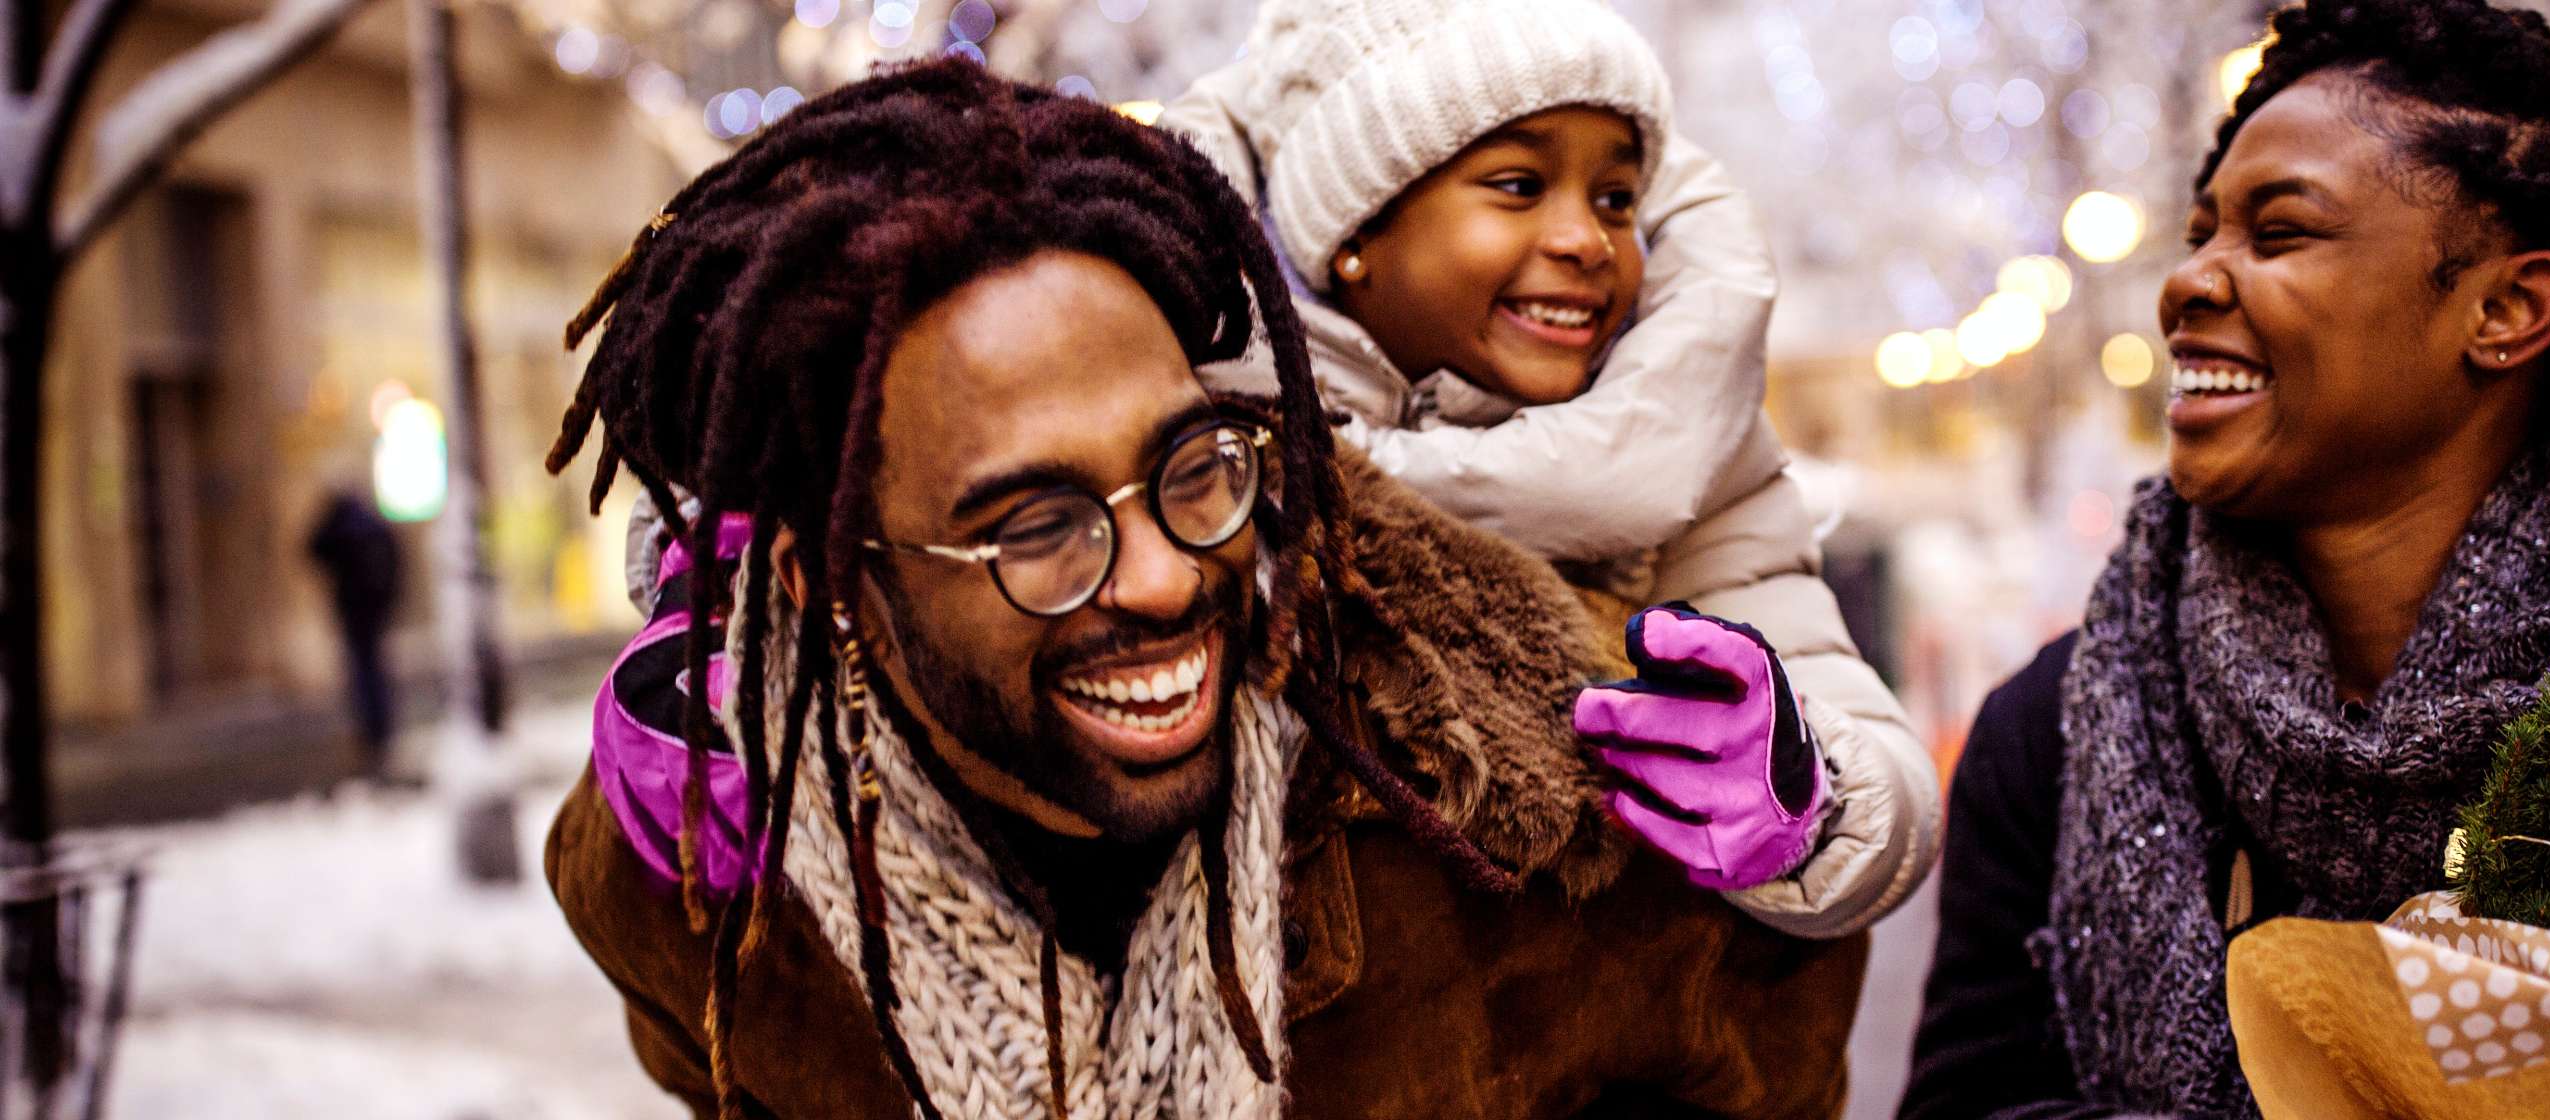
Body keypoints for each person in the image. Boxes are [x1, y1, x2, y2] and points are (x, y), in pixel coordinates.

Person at [542, 61, 1865, 1118]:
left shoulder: (1520, 826)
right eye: (1037, 524)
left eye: (1191, 468)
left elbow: (1772, 1047)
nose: (1173, 575)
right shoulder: (707, 881)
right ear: (830, 578)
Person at [1900, 1, 2550, 1115]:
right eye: (2202, 235)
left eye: (2279, 234)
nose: (2190, 285)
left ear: (2506, 307)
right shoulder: (2057, 729)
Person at [1157, 0, 1939, 938]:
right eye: (1520, 185)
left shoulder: (1694, 451)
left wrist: (1811, 797)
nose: (1588, 242)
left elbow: (1882, 772)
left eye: (1616, 200)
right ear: (1355, 232)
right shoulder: (1184, 446)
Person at [307, 491, 403, 782]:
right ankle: (380, 727)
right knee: (375, 670)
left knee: (363, 671)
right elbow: (396, 560)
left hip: (353, 611)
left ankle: (371, 729)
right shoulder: (375, 526)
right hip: (373, 612)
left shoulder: (339, 527)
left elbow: (313, 549)